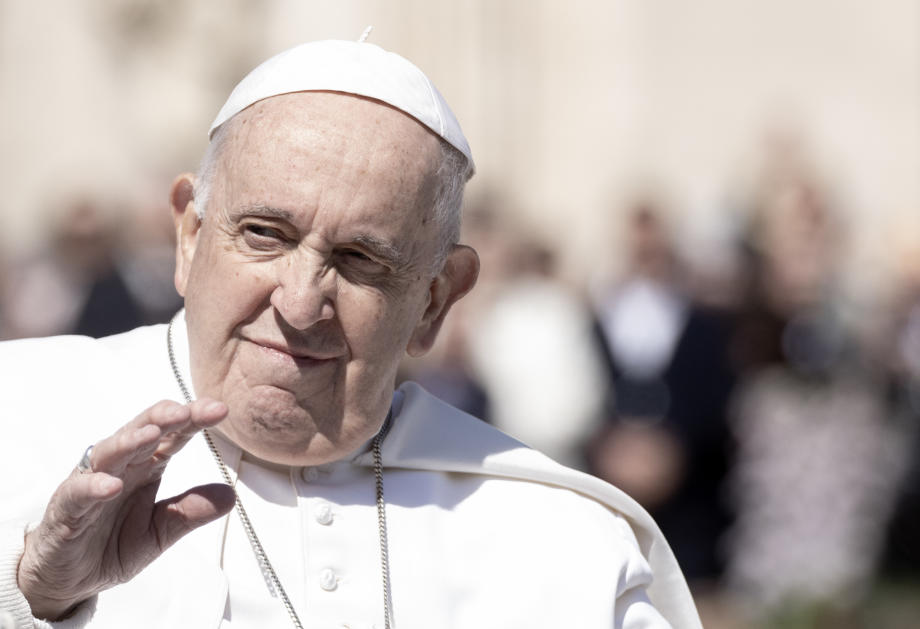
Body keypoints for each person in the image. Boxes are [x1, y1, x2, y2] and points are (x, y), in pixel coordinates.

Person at [0, 38, 701, 629]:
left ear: (434, 301)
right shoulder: (17, 411)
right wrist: (38, 598)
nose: (302, 304)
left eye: (360, 260)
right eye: (265, 234)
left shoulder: (566, 543)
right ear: (189, 234)